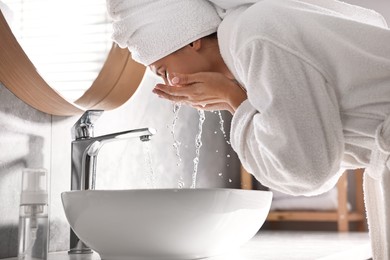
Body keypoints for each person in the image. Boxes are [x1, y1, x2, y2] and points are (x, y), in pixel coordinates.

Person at [106, 0, 390, 258]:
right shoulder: (249, 36)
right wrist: (236, 100)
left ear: (189, 40)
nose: (172, 85)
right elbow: (317, 152)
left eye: (165, 72)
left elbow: (305, 170)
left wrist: (235, 101)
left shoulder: (254, 35)